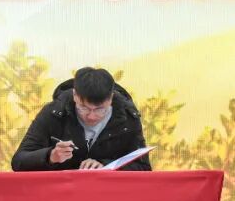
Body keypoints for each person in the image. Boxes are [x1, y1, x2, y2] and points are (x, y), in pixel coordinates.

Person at [11, 67, 152, 171]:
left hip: (108, 194)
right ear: (75, 95)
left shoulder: (128, 117)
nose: (91, 116)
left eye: (100, 110)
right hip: (61, 193)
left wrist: (106, 165)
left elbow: (144, 167)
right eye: (83, 108)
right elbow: (18, 162)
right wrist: (50, 156)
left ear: (111, 99)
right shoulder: (54, 112)